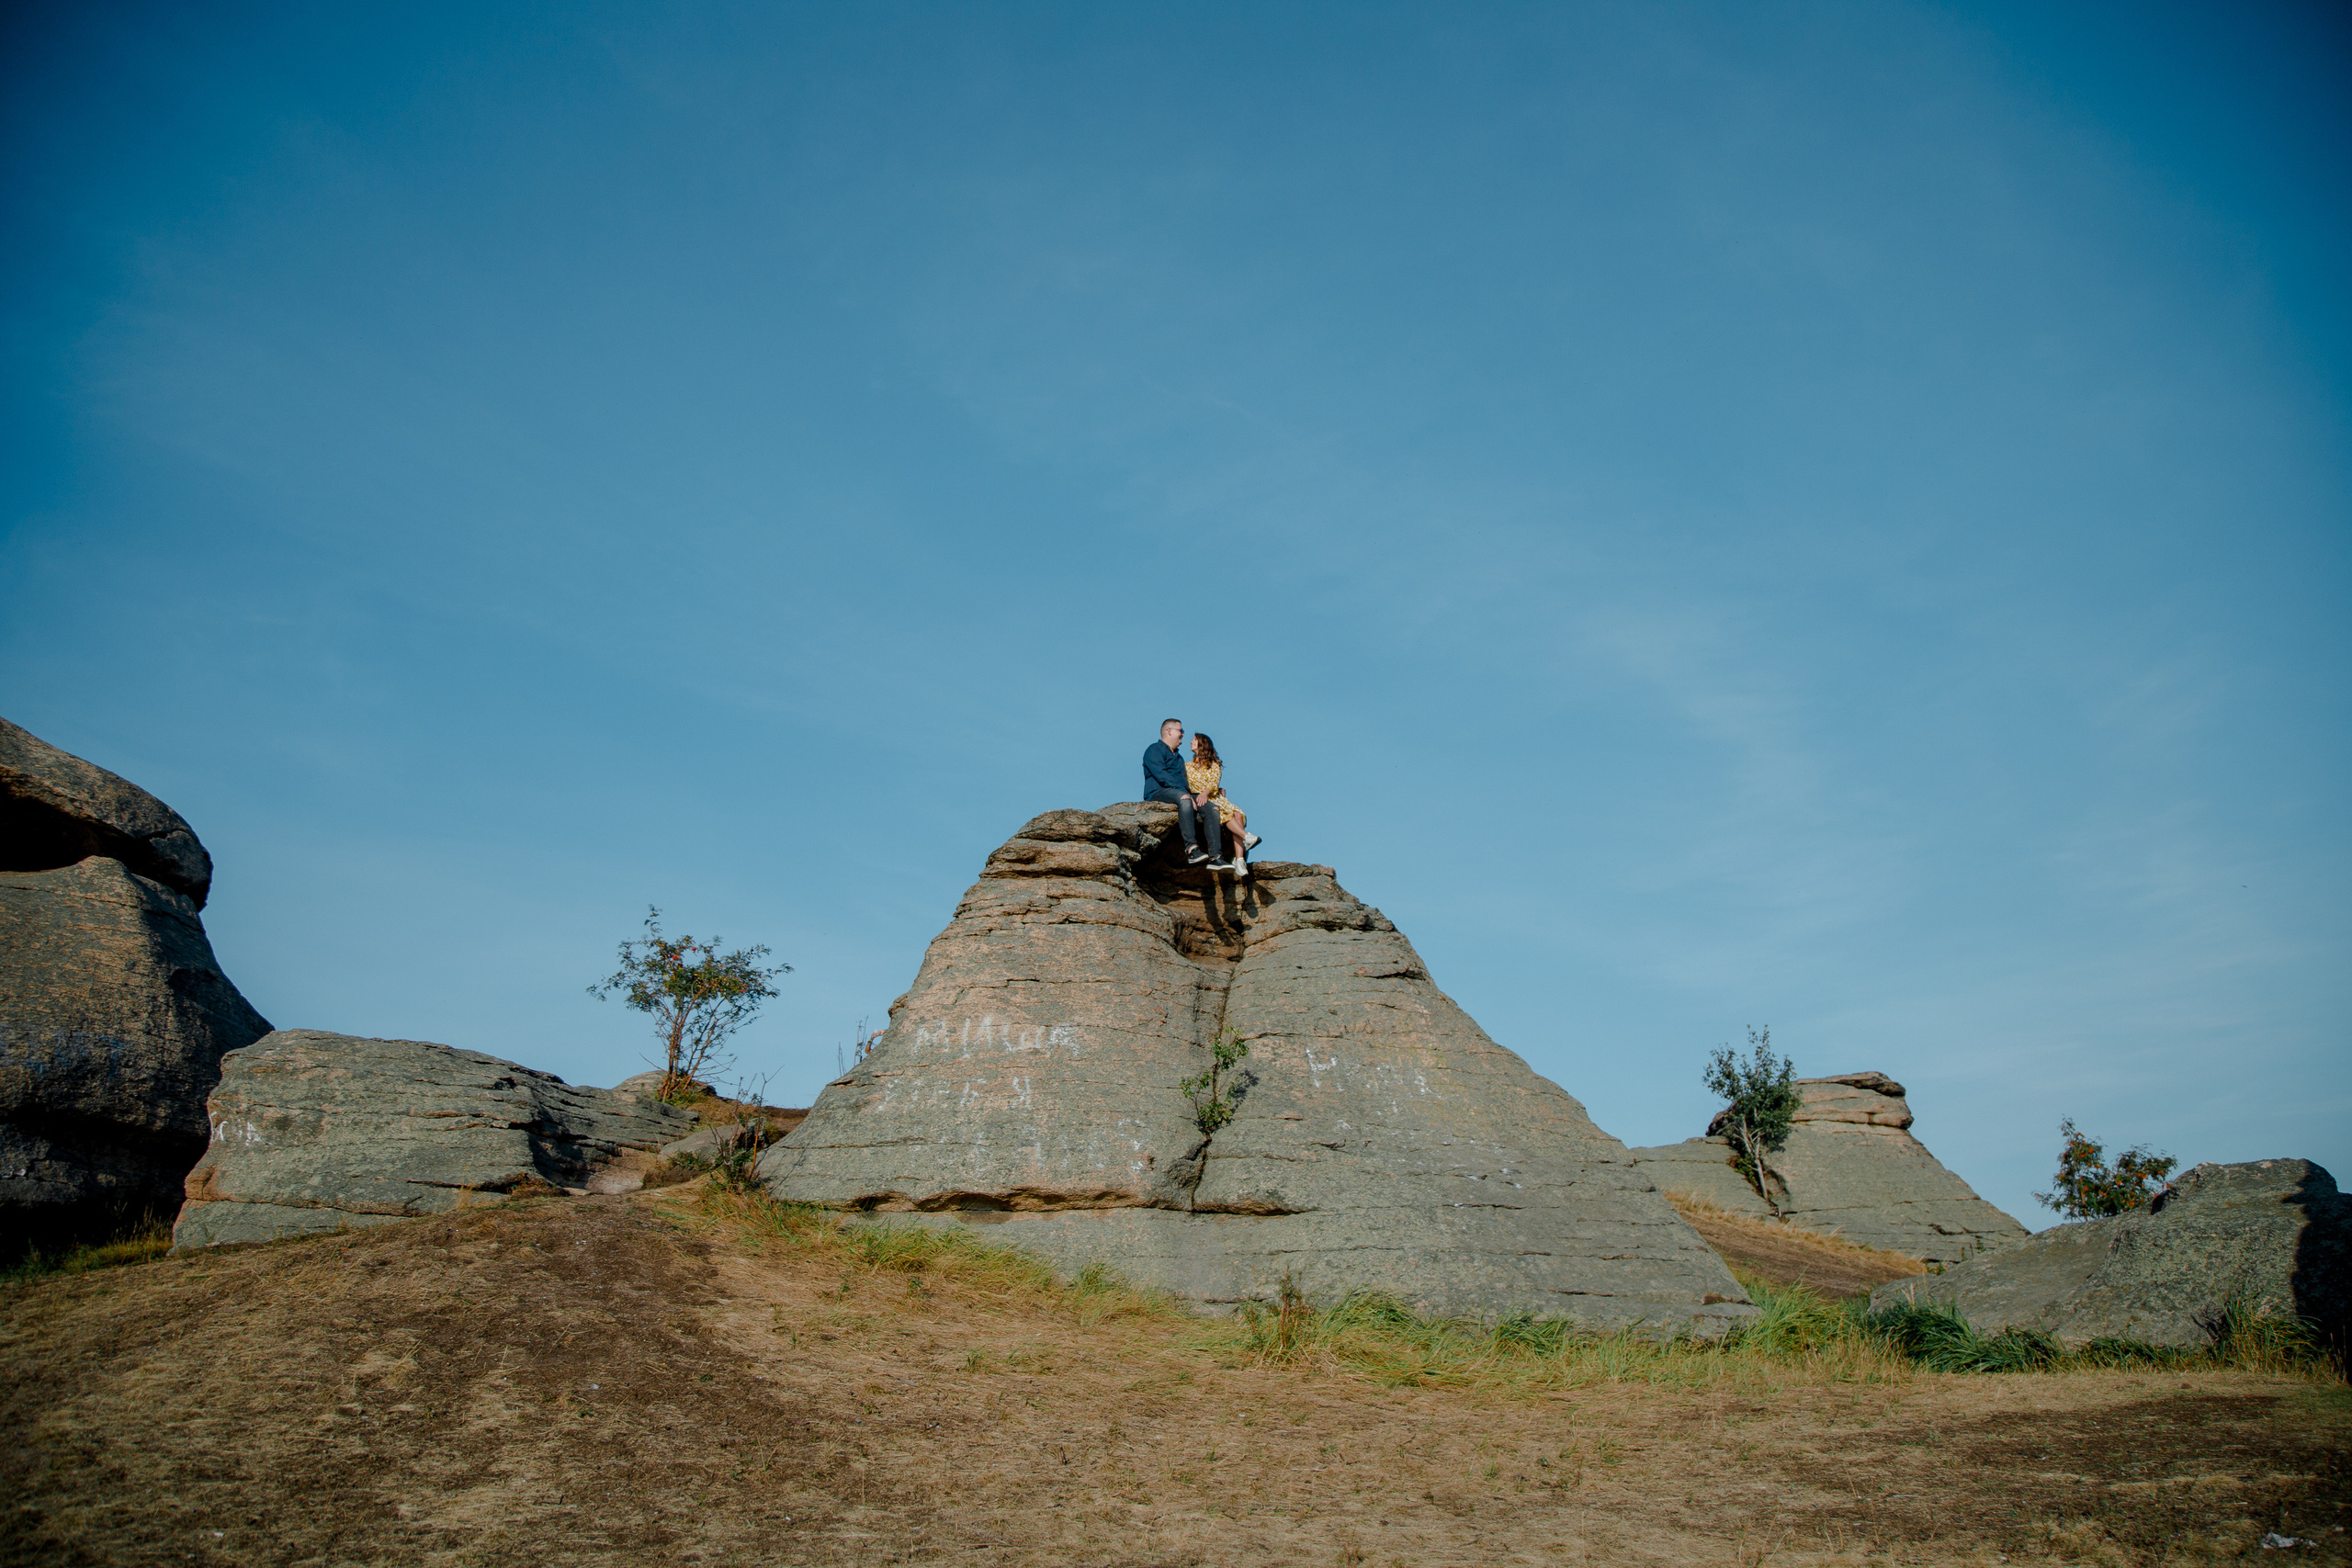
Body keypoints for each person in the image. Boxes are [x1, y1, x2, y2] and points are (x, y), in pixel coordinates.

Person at [1142, 717, 1222, 866]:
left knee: (1212, 808)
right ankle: (1192, 849)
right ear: (1169, 731)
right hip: (1158, 792)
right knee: (1185, 798)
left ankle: (1215, 857)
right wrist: (1185, 795)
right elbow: (1161, 775)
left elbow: (1187, 783)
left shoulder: (1179, 758)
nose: (1183, 735)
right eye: (1181, 731)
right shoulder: (1154, 750)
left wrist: (1209, 794)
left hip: (1180, 792)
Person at [1185, 732, 1261, 878]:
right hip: (1202, 799)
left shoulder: (1214, 764)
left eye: (1194, 740)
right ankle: (1246, 838)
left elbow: (1213, 783)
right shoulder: (1187, 766)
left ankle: (1239, 860)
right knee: (1227, 814)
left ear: (1203, 744)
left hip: (1213, 796)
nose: (1191, 741)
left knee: (1238, 814)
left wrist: (1205, 794)